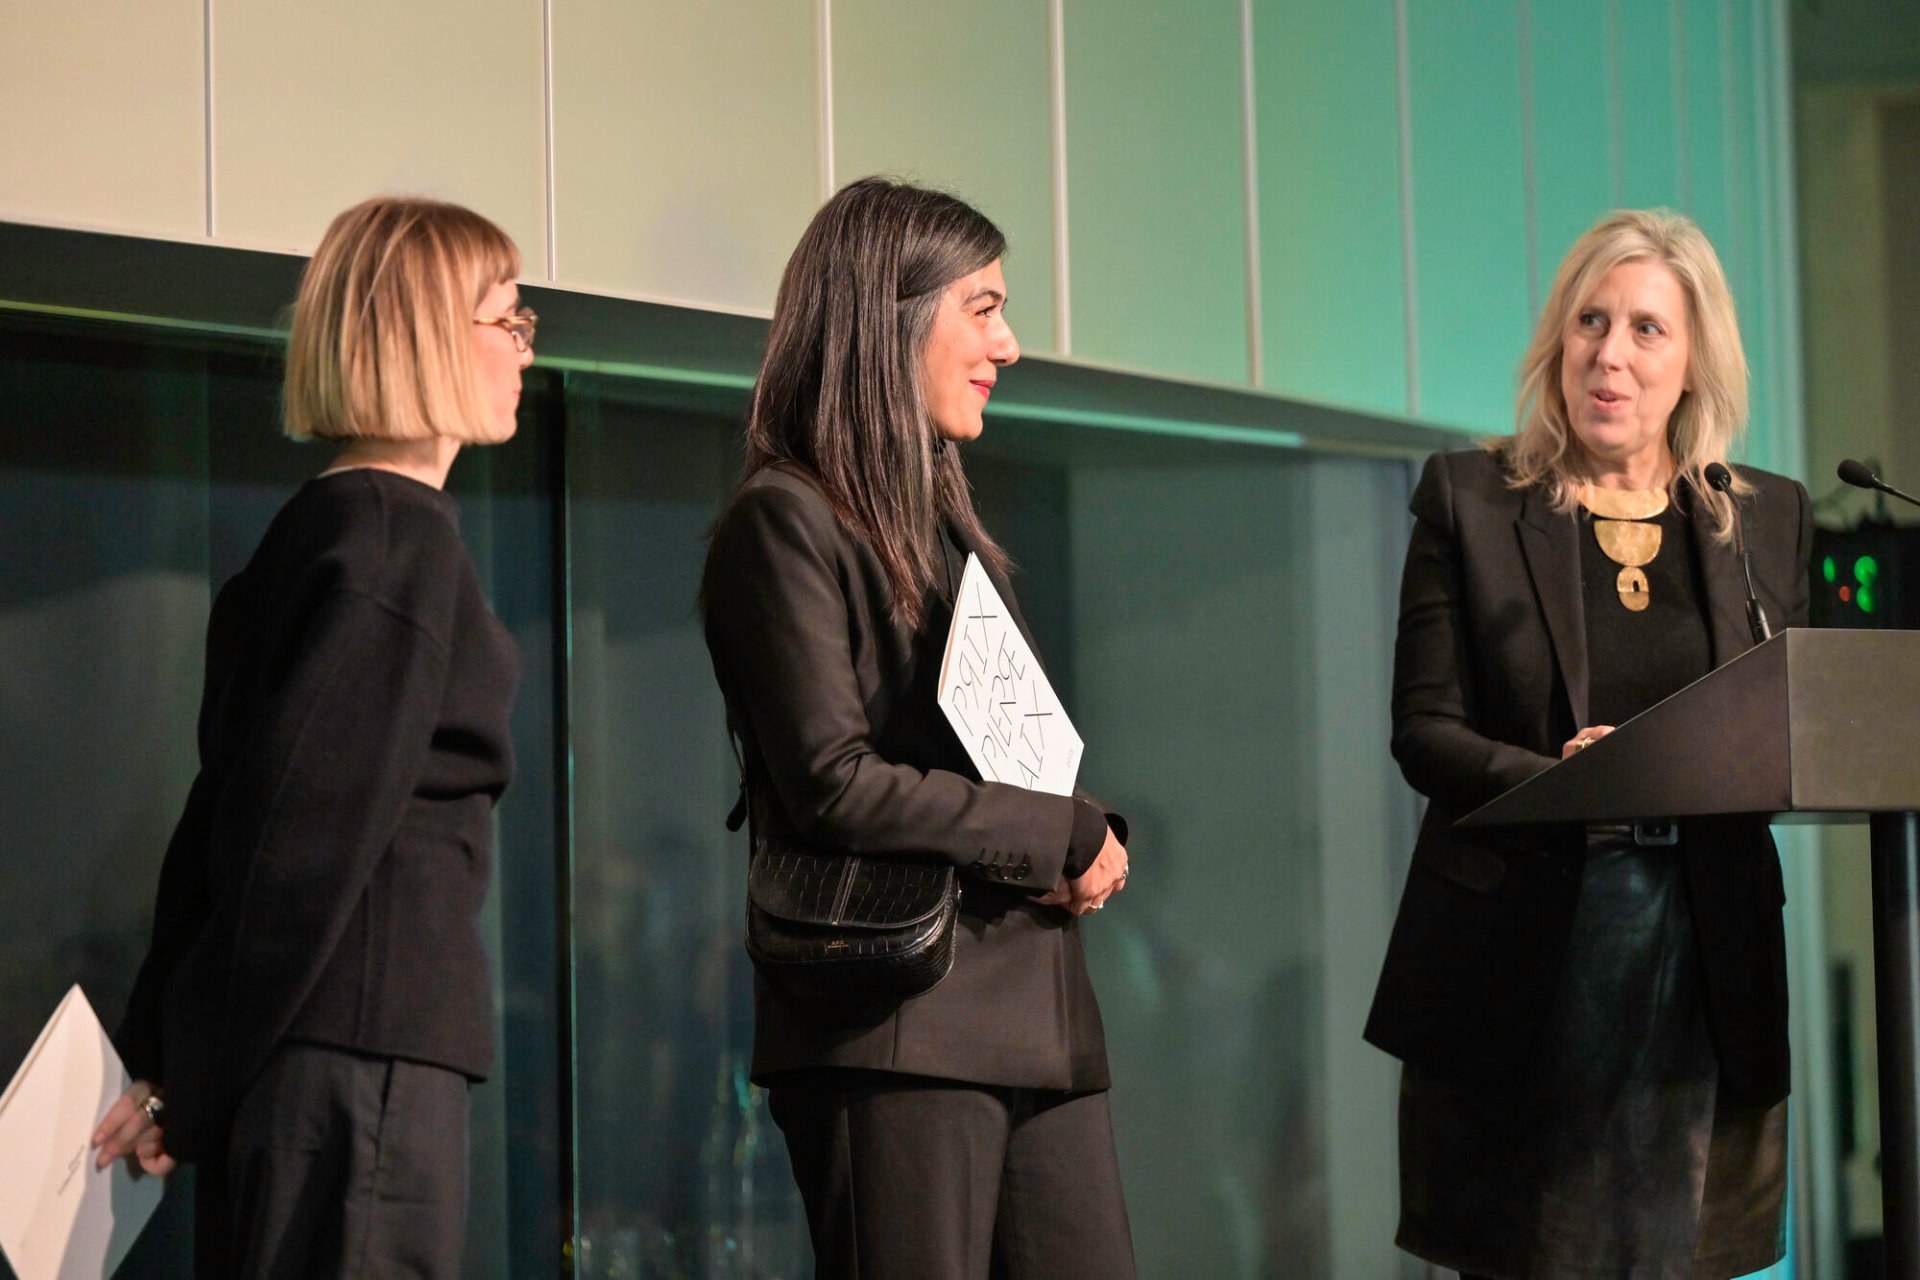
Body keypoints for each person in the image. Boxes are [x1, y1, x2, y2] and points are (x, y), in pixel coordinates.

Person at [1364, 208, 1812, 1279]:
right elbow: (1424, 728)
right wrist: (1564, 778)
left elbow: (1793, 726)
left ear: (1695, 355)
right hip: (1525, 957)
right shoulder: (1472, 502)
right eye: (1590, 323)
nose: (1610, 355)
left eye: (1647, 329)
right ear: (1557, 342)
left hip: (1705, 959)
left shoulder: (1763, 518)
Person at [701, 176, 1136, 1280]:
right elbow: (832, 781)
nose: (1012, 342)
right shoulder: (785, 519)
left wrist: (1080, 831)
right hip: (894, 1025)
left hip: (1039, 1019)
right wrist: (1059, 834)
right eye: (982, 306)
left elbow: (1008, 758)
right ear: (888, 317)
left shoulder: (950, 530)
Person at [90, 195, 531, 1278]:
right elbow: (297, 845)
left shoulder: (322, 532)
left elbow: (227, 828)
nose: (525, 350)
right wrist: (179, 1074)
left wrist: (173, 1059)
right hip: (359, 1071)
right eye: (510, 319)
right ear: (430, 332)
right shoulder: (398, 541)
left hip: (315, 1066)